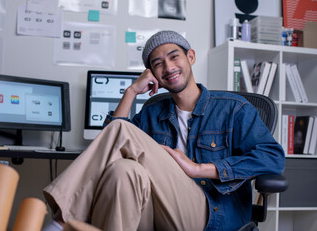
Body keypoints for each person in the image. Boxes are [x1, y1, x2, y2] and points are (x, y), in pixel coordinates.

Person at [42, 30, 285, 231]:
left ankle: (62, 221)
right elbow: (109, 145)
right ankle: (66, 219)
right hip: (158, 215)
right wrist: (131, 92)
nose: (168, 67)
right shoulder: (152, 112)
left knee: (122, 132)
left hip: (211, 215)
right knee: (122, 170)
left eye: (174, 57)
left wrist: (198, 168)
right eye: (158, 64)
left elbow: (273, 158)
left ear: (190, 56)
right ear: (153, 75)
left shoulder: (233, 109)